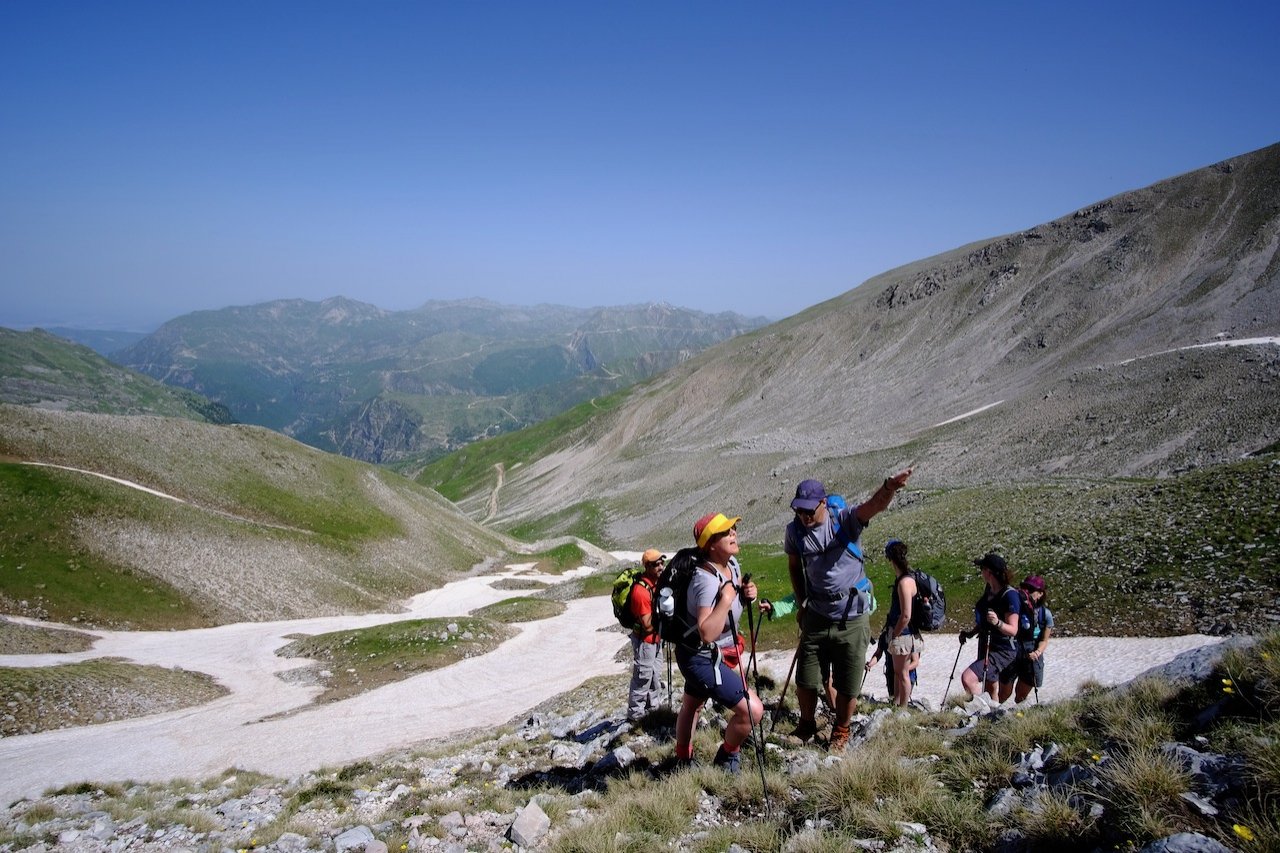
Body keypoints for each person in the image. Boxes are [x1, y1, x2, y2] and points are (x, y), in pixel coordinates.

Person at [783, 469, 913, 752]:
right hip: (816, 611)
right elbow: (795, 567)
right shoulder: (794, 531)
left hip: (851, 614)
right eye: (799, 510)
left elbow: (873, 506)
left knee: (848, 679)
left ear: (822, 503)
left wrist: (889, 487)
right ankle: (807, 725)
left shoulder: (843, 520)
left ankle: (841, 730)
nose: (804, 517)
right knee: (806, 677)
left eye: (809, 511)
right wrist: (803, 602)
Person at [673, 512, 765, 773]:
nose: (733, 533)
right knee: (752, 710)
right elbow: (706, 632)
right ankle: (727, 756)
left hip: (711, 653)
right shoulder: (704, 580)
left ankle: (682, 758)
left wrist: (747, 594)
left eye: (733, 529)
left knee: (692, 703)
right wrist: (725, 600)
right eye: (726, 532)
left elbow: (733, 602)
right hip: (701, 657)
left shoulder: (731, 564)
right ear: (711, 544)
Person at [958, 553, 1022, 702]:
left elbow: (1013, 630)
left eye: (982, 568)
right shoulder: (989, 590)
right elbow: (985, 621)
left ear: (989, 572)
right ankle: (990, 716)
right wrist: (970, 633)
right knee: (990, 686)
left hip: (1003, 650)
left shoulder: (1009, 595)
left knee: (968, 678)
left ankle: (980, 708)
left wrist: (997, 622)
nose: (981, 572)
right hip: (987, 645)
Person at [626, 548, 667, 721]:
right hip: (645, 640)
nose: (660, 567)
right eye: (655, 564)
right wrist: (665, 615)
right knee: (643, 676)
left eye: (661, 562)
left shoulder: (657, 585)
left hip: (656, 640)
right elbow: (648, 625)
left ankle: (653, 708)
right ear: (647, 567)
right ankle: (635, 715)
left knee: (655, 674)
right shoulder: (641, 591)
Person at [882, 538, 922, 707]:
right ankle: (898, 703)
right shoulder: (908, 578)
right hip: (908, 632)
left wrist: (895, 634)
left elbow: (905, 615)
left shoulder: (904, 582)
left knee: (902, 672)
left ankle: (903, 707)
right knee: (898, 671)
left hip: (903, 633)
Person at [1010, 575, 1054, 704]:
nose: (1027, 591)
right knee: (1004, 690)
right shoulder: (1015, 609)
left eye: (1031, 589)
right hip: (1014, 649)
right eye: (1025, 588)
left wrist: (1037, 652)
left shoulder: (1045, 614)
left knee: (1021, 694)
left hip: (1032, 651)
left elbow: (1044, 639)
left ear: (1040, 594)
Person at [866, 624, 918, 701]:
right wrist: (870, 664)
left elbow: (915, 662)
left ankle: (901, 709)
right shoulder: (885, 636)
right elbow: (878, 654)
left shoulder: (909, 637)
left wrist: (903, 670)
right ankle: (897, 709)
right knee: (893, 697)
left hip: (908, 675)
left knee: (900, 699)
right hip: (890, 673)